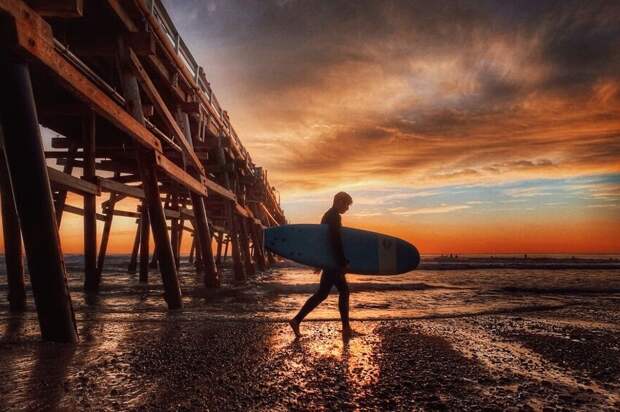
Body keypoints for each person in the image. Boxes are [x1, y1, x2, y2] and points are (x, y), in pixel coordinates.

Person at [289, 191, 354, 339]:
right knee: (341, 292)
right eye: (347, 204)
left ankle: (296, 320)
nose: (347, 208)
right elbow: (334, 241)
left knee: (324, 293)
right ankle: (346, 328)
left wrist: (319, 261)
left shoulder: (327, 215)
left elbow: (321, 240)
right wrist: (342, 262)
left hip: (328, 261)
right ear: (339, 202)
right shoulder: (334, 217)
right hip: (332, 262)